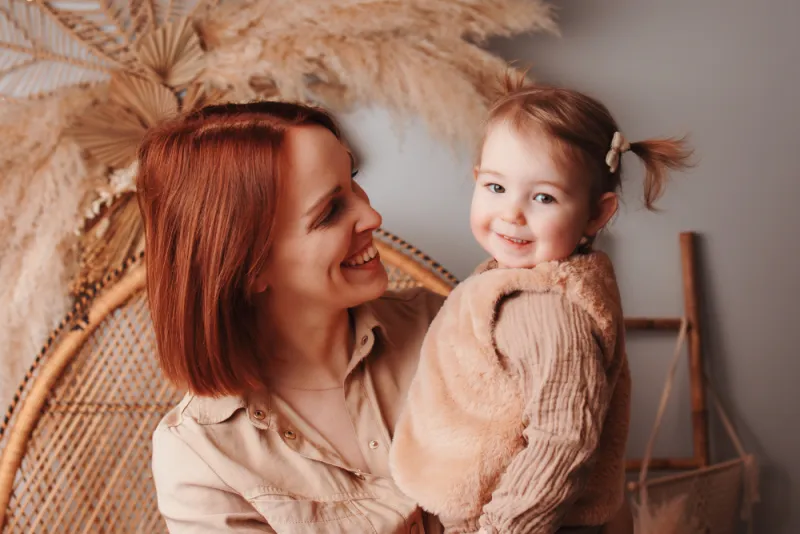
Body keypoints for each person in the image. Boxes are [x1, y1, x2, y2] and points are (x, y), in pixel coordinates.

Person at [389, 75, 693, 534]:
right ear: (476, 180)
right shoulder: (509, 279)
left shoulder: (546, 309)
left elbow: (565, 438)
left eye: (544, 197)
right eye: (496, 188)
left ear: (596, 214)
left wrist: (500, 529)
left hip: (518, 521)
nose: (512, 213)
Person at [139, 101, 447, 533]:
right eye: (329, 212)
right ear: (249, 268)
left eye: (353, 182)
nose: (372, 216)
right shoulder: (201, 455)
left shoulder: (447, 327)